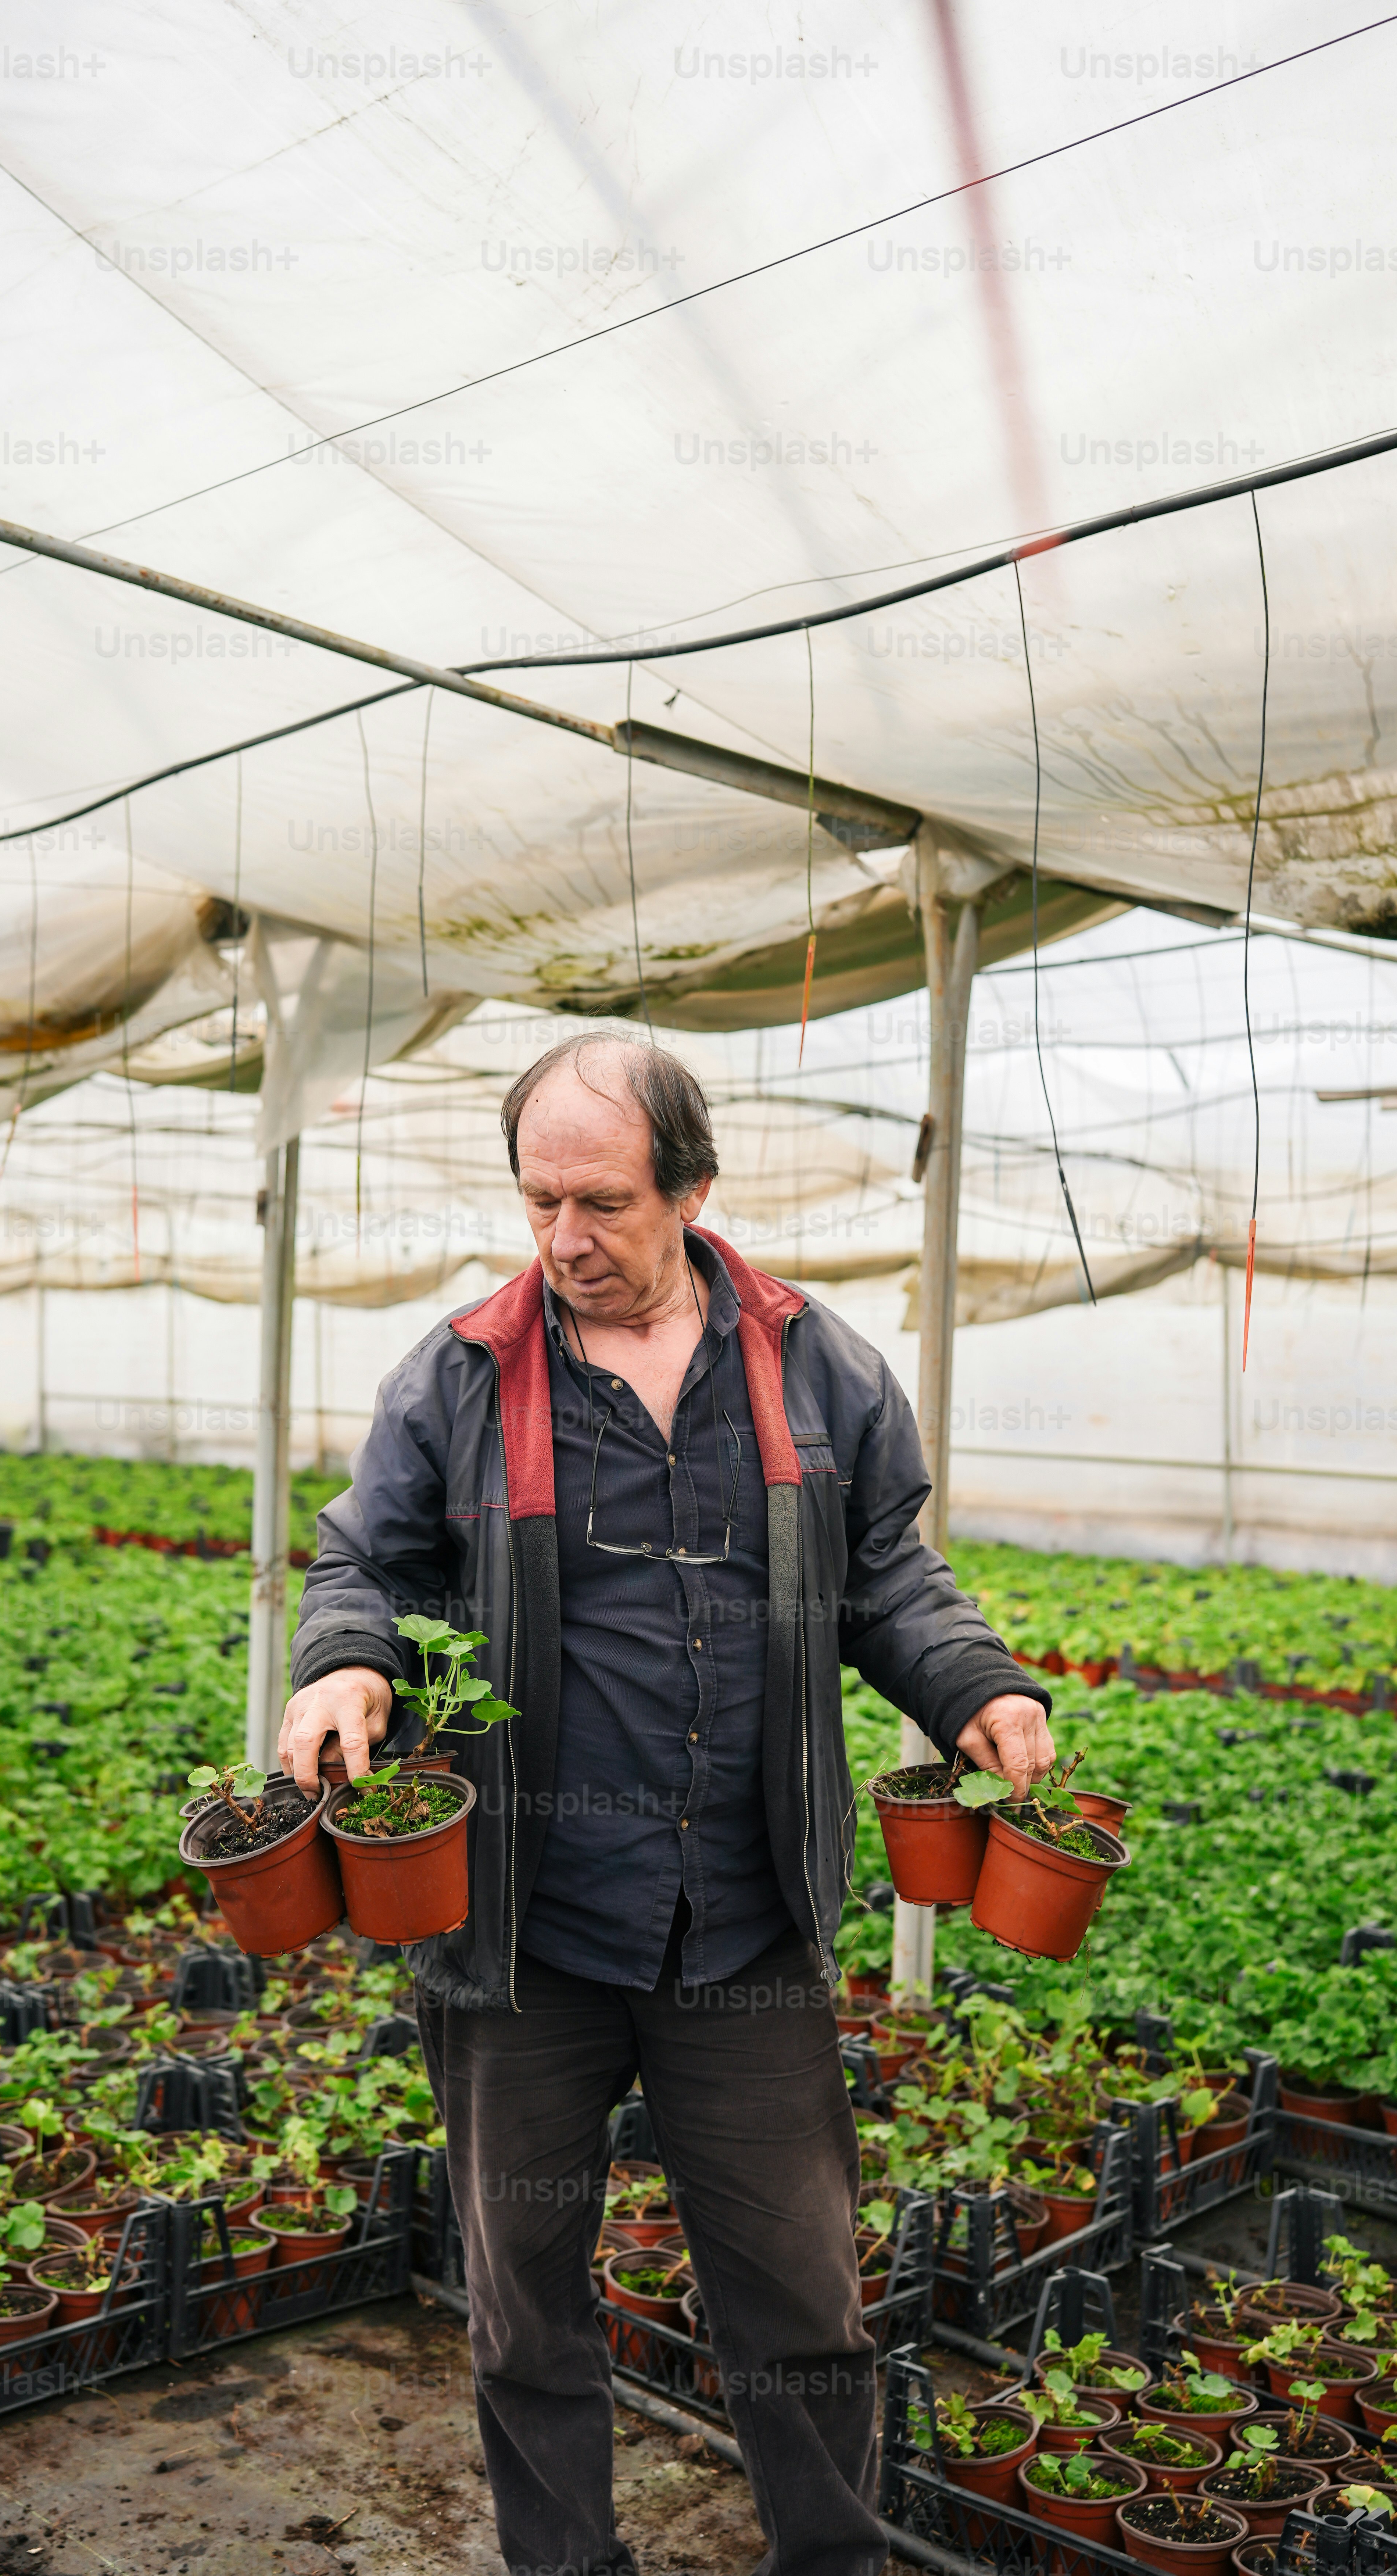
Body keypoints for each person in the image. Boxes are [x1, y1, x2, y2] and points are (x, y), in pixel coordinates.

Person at [280, 1031, 1054, 2576]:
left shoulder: (814, 1363)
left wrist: (972, 1681)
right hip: (525, 1934)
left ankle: (830, 2558)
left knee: (801, 2302)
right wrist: (346, 1668)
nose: (565, 1240)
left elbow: (889, 1570)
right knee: (524, 2307)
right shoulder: (459, 1374)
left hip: (742, 1920)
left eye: (603, 1204)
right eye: (538, 1201)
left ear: (692, 1190)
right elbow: (366, 1563)